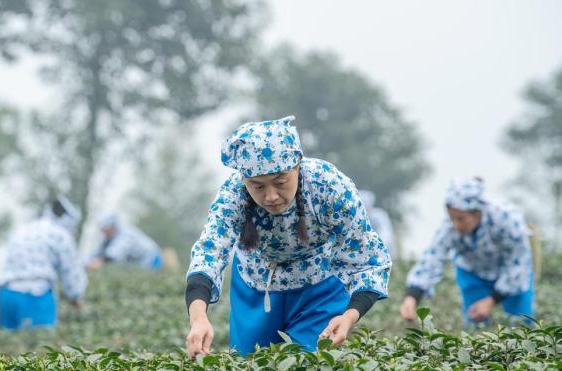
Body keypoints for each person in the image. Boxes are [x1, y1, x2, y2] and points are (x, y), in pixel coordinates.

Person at [185, 115, 391, 357]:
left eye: (280, 182)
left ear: (297, 166)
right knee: (250, 369)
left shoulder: (330, 187)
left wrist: (349, 316)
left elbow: (367, 258)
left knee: (305, 370)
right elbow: (210, 251)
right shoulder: (233, 195)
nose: (271, 196)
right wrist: (198, 318)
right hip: (256, 287)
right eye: (257, 186)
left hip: (319, 288)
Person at [400, 177, 534, 326]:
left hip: (511, 273)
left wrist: (492, 300)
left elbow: (518, 262)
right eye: (451, 218)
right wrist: (412, 297)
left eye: (461, 219)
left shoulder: (505, 219)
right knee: (475, 328)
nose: (456, 225)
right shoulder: (449, 227)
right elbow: (432, 258)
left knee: (521, 325)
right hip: (474, 273)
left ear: (476, 212)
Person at [0, 196, 87, 330]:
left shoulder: (24, 229)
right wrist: (75, 296)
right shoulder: (60, 234)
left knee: (8, 348)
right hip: (35, 295)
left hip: (7, 295)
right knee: (40, 348)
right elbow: (71, 271)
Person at [86, 213, 163, 271]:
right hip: (137, 261)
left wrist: (99, 262)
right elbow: (96, 252)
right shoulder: (108, 237)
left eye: (106, 230)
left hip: (152, 258)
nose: (104, 233)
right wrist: (86, 263)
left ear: (112, 226)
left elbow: (113, 255)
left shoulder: (125, 235)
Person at [359, 190, 397, 258]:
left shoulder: (379, 215)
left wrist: (374, 248)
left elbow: (386, 234)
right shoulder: (358, 219)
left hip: (384, 254)